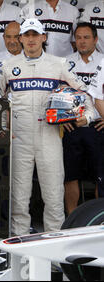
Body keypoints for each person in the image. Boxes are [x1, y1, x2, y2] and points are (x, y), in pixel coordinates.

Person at [0, 18, 94, 236]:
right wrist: (5, 131)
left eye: (35, 35)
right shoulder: (9, 67)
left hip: (49, 135)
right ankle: (19, 251)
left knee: (53, 197)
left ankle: (54, 255)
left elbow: (85, 92)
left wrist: (85, 117)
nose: (31, 40)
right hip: (19, 138)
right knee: (19, 199)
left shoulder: (58, 64)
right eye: (27, 35)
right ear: (20, 38)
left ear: (44, 37)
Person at [63, 22, 104, 214]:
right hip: (73, 126)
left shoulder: (103, 61)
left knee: (100, 176)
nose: (82, 41)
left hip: (98, 126)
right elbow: (56, 92)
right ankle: (72, 220)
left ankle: (98, 221)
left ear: (96, 39)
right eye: (78, 37)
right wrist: (64, 118)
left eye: (86, 37)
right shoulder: (64, 62)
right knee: (70, 176)